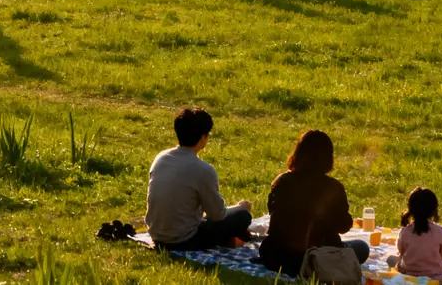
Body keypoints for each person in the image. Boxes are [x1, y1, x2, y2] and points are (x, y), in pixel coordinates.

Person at [259, 130, 370, 277]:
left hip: (277, 256)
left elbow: (272, 211)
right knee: (361, 247)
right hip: (319, 258)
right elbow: (343, 226)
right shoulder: (334, 187)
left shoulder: (282, 181)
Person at [145, 108, 253, 251]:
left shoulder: (161, 158)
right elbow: (217, 215)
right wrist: (240, 207)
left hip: (156, 235)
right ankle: (231, 239)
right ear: (203, 138)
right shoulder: (203, 170)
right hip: (184, 240)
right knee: (242, 215)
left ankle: (231, 240)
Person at [391, 187, 442, 279]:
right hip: (436, 275)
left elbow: (401, 251)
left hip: (409, 273)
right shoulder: (440, 231)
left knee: (391, 260)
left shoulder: (405, 231)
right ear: (434, 209)